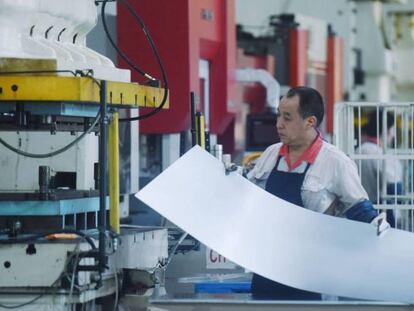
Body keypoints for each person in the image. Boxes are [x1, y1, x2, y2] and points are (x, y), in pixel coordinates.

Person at [246, 86, 388, 300]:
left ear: (310, 122)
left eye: (287, 118)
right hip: (268, 269)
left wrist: (386, 246)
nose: (278, 124)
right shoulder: (271, 154)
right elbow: (248, 197)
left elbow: (361, 212)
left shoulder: (335, 162)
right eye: (278, 116)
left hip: (313, 275)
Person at [357, 110, 402, 227]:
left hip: (362, 209)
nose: (393, 135)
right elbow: (394, 188)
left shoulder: (362, 150)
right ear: (384, 131)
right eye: (392, 131)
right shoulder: (374, 151)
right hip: (378, 209)